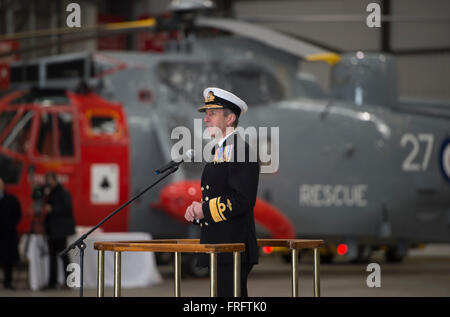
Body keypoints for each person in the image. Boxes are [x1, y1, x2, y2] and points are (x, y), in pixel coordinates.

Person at [185, 87, 260, 297]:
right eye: (206, 114)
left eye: (212, 114)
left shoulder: (240, 150)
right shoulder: (223, 150)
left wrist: (205, 210)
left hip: (232, 246)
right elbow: (218, 194)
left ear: (230, 119)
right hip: (220, 244)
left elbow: (243, 199)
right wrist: (197, 213)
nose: (206, 119)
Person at [43, 172, 76, 289]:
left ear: (55, 180)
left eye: (49, 180)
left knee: (64, 256)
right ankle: (52, 282)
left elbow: (67, 209)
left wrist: (52, 209)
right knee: (52, 258)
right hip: (51, 230)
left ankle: (69, 282)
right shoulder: (50, 193)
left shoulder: (63, 193)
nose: (48, 183)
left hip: (60, 231)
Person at [0, 177, 22, 290]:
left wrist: (10, 225)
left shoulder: (11, 199)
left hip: (7, 234)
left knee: (7, 260)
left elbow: (18, 215)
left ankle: (7, 282)